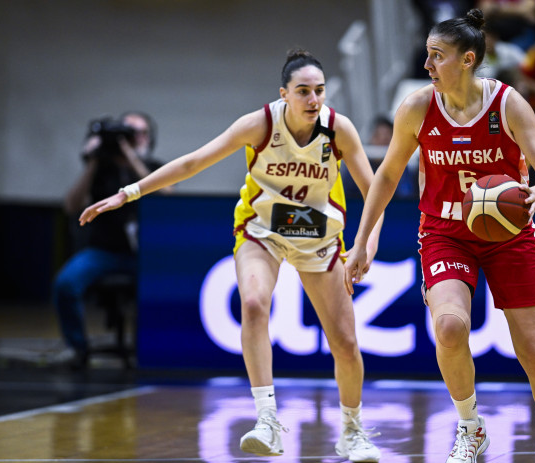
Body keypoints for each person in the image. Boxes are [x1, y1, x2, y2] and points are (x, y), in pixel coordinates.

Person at [78, 49, 384, 462]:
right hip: (262, 231)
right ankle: (266, 420)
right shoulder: (258, 124)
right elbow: (192, 163)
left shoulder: (338, 129)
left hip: (319, 238)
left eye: (320, 91)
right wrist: (127, 193)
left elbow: (375, 193)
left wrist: (367, 244)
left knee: (345, 344)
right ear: (284, 94)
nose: (314, 100)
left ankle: (351, 430)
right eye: (304, 91)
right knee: (254, 304)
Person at [343, 9, 535, 463]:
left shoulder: (508, 103)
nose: (427, 65)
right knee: (451, 327)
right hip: (445, 232)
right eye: (427, 55)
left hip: (509, 234)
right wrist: (361, 242)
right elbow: (386, 176)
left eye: (437, 56)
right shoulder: (418, 107)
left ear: (467, 59)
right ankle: (471, 427)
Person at [53, 111, 164, 369]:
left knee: (165, 287)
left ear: (149, 137)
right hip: (104, 252)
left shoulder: (156, 169)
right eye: (128, 132)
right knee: (66, 283)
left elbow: (166, 197)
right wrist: (92, 161)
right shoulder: (100, 170)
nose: (133, 138)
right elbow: (71, 206)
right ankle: (76, 348)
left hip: (146, 256)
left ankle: (150, 349)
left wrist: (131, 157)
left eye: (139, 133)